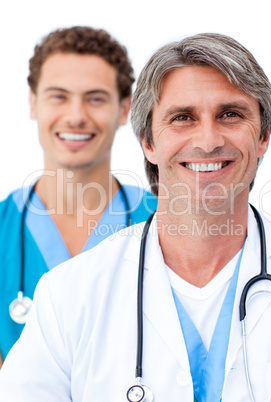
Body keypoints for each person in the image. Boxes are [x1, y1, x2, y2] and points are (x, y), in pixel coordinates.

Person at [0, 32, 271, 401]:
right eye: (182, 117)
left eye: (230, 114)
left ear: (263, 135)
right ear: (148, 141)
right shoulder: (66, 296)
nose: (208, 139)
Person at [0, 26, 157, 365]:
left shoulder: (166, 222)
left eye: (95, 98)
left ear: (124, 108)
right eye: (58, 95)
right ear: (32, 103)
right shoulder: (3, 228)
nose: (75, 116)